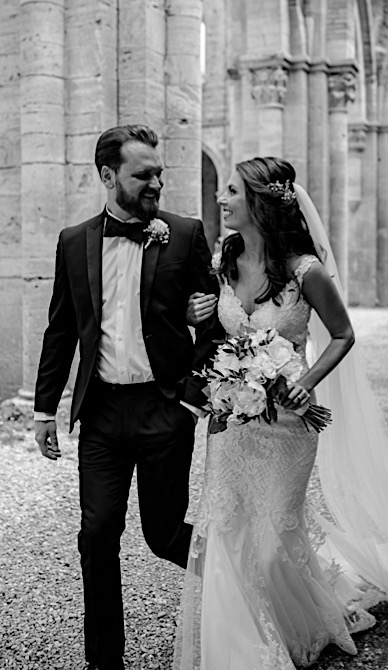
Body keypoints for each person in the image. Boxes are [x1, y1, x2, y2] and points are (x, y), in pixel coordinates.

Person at [174, 157, 388, 668]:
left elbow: (344, 334)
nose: (221, 198)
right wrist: (196, 318)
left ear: (257, 202)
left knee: (276, 532)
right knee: (228, 525)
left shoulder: (306, 271)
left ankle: (292, 620)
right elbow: (213, 336)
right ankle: (237, 641)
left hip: (290, 422)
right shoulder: (222, 260)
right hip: (230, 418)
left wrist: (305, 381)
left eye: (231, 191)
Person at [32, 125, 223, 670]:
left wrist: (191, 399)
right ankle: (104, 661)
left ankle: (249, 589)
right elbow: (61, 329)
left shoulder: (184, 234)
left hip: (164, 408)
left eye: (159, 173)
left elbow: (214, 326)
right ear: (108, 176)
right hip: (101, 414)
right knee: (96, 535)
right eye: (144, 175)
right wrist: (46, 409)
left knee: (164, 534)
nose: (156, 183)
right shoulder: (73, 240)